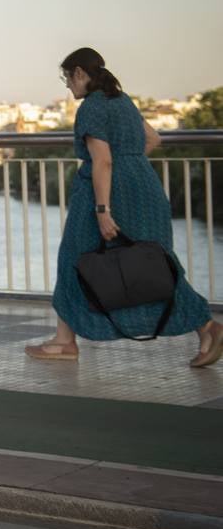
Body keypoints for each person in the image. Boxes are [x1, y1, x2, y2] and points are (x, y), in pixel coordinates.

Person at [25, 47, 223, 364]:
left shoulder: (91, 107)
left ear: (79, 73)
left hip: (106, 193)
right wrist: (130, 161)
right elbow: (153, 139)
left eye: (67, 78)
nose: (67, 86)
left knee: (73, 259)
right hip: (144, 186)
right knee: (156, 262)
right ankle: (207, 326)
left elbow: (102, 161)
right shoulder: (122, 99)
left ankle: (64, 341)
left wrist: (103, 211)